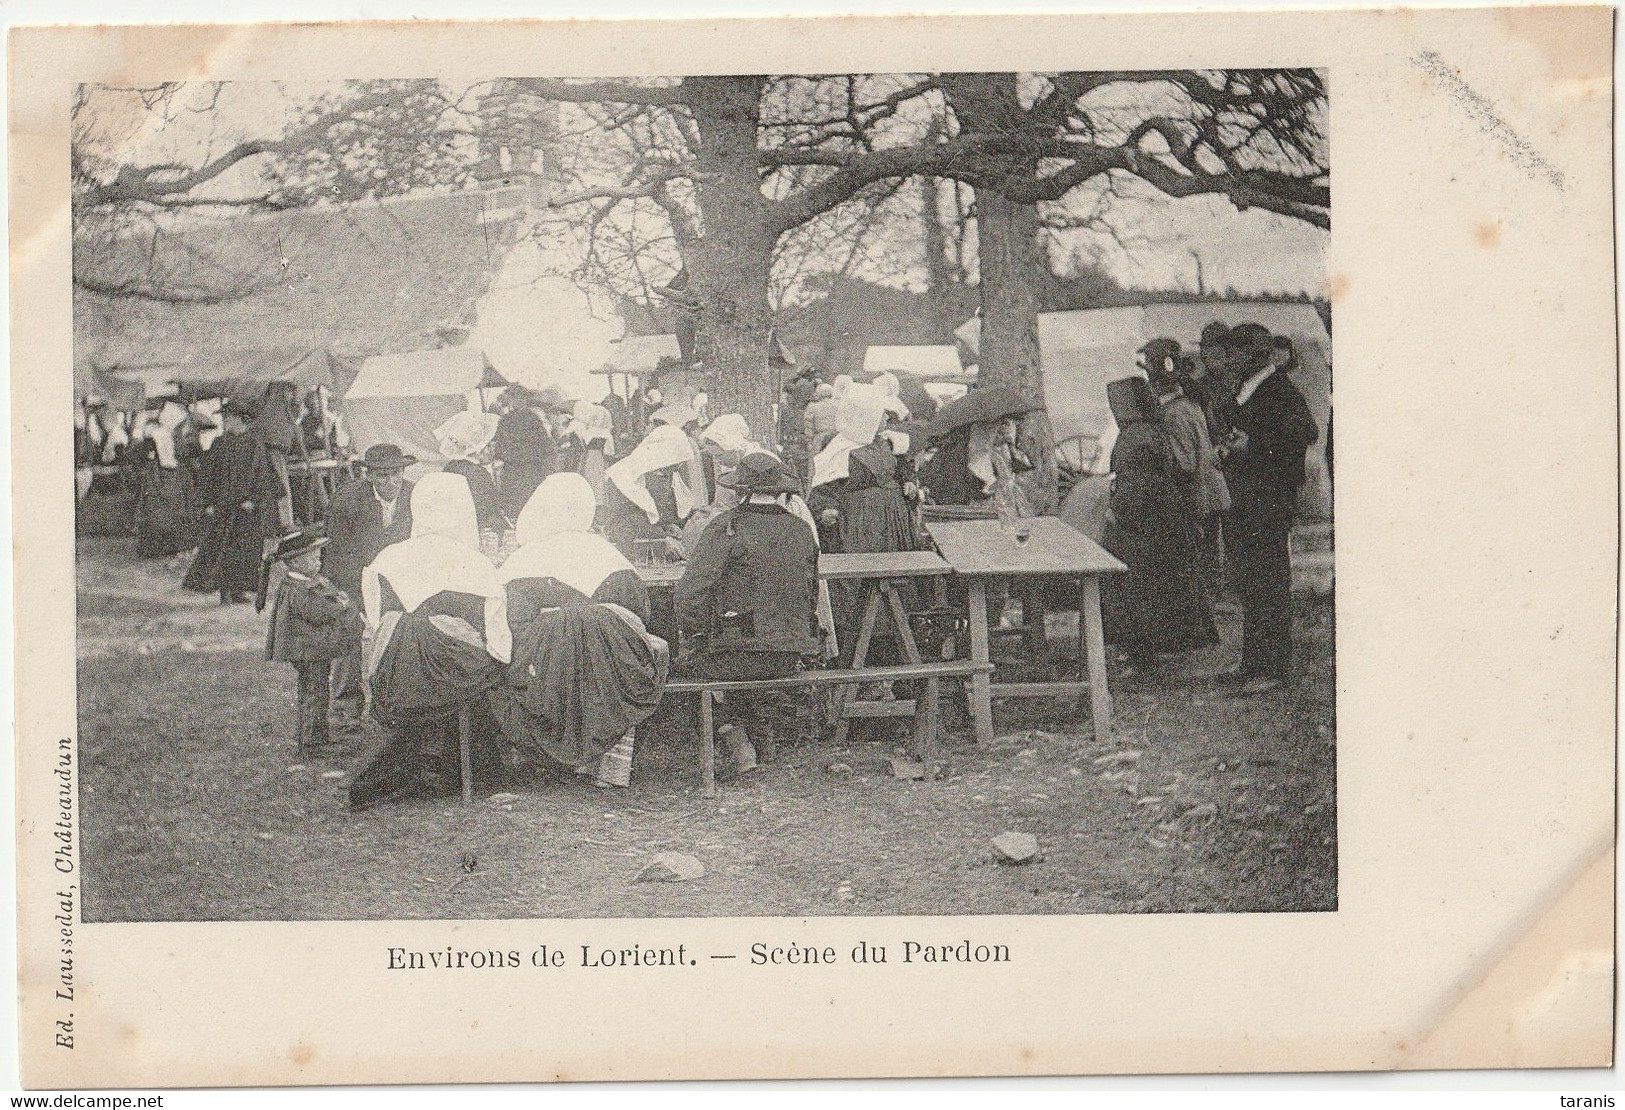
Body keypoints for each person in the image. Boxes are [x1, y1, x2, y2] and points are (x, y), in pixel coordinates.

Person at [489, 473, 668, 786]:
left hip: (545, 679)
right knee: (625, 655)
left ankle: (545, 753)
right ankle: (608, 761)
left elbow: (510, 627)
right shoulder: (611, 559)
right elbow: (640, 616)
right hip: (610, 677)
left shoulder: (522, 563)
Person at [349, 474, 511, 810]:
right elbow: (497, 641)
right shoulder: (476, 564)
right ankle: (462, 763)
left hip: (395, 665)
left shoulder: (387, 559)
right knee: (486, 671)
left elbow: (376, 622)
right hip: (453, 670)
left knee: (428, 661)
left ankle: (427, 758)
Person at [675, 452, 821, 773]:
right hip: (788, 654)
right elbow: (810, 596)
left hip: (738, 654)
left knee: (684, 666)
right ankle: (759, 737)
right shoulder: (800, 530)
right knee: (740, 655)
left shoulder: (725, 527)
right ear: (781, 490)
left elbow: (690, 596)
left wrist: (696, 632)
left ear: (740, 490)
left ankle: (735, 738)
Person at [1216, 323, 1319, 696]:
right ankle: (1253, 663)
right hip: (1248, 501)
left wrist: (1253, 445)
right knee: (1252, 582)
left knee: (1270, 581)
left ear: (1252, 354)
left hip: (1269, 501)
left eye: (1233, 353)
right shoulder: (1250, 390)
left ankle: (1273, 667)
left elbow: (1305, 433)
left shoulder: (1278, 391)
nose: (1227, 360)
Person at [1099, 375, 1217, 673]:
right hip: (1161, 516)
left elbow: (1136, 484)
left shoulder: (1134, 436)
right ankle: (1151, 651)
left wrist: (1117, 509)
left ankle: (1142, 655)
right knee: (1156, 586)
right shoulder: (1152, 429)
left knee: (1136, 589)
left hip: (1139, 522)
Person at [321, 443, 416, 745]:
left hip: (401, 580)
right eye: (383, 475)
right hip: (355, 579)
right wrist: (357, 599)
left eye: (396, 474)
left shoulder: (417, 497)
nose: (391, 482)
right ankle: (345, 710)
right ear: (370, 476)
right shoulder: (347, 501)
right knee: (348, 629)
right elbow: (339, 555)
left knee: (406, 631)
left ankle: (400, 705)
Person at [260, 527, 362, 756]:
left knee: (315, 691)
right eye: (313, 558)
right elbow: (318, 612)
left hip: (312, 650)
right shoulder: (299, 589)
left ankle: (316, 737)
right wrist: (342, 606)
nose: (319, 562)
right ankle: (313, 742)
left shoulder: (305, 584)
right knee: (315, 693)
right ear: (295, 563)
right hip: (307, 651)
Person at [1142, 339, 1230, 595]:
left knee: (1197, 559)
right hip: (1208, 492)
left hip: (1197, 496)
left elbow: (1185, 464)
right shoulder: (1187, 405)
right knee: (1208, 555)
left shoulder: (1174, 413)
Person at [184, 398, 285, 603]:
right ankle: (225, 592)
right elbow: (208, 476)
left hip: (247, 509)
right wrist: (207, 503)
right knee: (222, 549)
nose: (225, 422)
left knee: (245, 551)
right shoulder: (219, 444)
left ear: (240, 420)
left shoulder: (255, 445)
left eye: (229, 418)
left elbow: (265, 478)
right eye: (225, 418)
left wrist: (255, 501)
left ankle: (238, 590)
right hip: (223, 508)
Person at [601, 422, 696, 558]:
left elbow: (665, 511)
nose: (674, 470)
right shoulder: (621, 476)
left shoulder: (667, 474)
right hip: (630, 545)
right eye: (672, 465)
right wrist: (662, 536)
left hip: (657, 542)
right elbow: (624, 521)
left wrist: (669, 526)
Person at [134, 398, 205, 559]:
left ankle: (168, 546)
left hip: (169, 474)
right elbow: (169, 458)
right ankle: (162, 547)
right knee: (165, 511)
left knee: (170, 512)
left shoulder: (170, 433)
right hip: (163, 475)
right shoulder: (160, 434)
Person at [491, 386, 557, 522]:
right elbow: (546, 446)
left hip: (516, 471)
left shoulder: (507, 420)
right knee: (532, 506)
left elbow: (499, 449)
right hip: (531, 470)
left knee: (516, 508)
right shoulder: (532, 418)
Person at [435, 410, 503, 535]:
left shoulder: (450, 467)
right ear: (478, 448)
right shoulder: (479, 474)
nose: (492, 450)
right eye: (488, 445)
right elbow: (488, 511)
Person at [563, 400, 616, 505]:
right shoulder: (606, 434)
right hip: (600, 457)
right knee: (599, 479)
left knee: (588, 477)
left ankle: (588, 500)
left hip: (588, 456)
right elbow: (610, 451)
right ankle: (600, 501)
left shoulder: (589, 431)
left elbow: (583, 443)